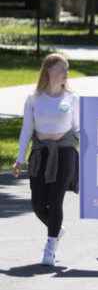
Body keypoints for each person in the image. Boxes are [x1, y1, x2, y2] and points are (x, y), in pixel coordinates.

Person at [12, 54, 79, 266]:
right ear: (48, 71)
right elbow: (26, 130)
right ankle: (56, 228)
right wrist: (19, 158)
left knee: (56, 199)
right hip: (40, 154)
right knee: (38, 204)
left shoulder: (72, 98)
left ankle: (50, 247)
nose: (65, 74)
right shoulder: (34, 98)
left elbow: (78, 128)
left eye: (66, 70)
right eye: (61, 69)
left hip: (65, 153)